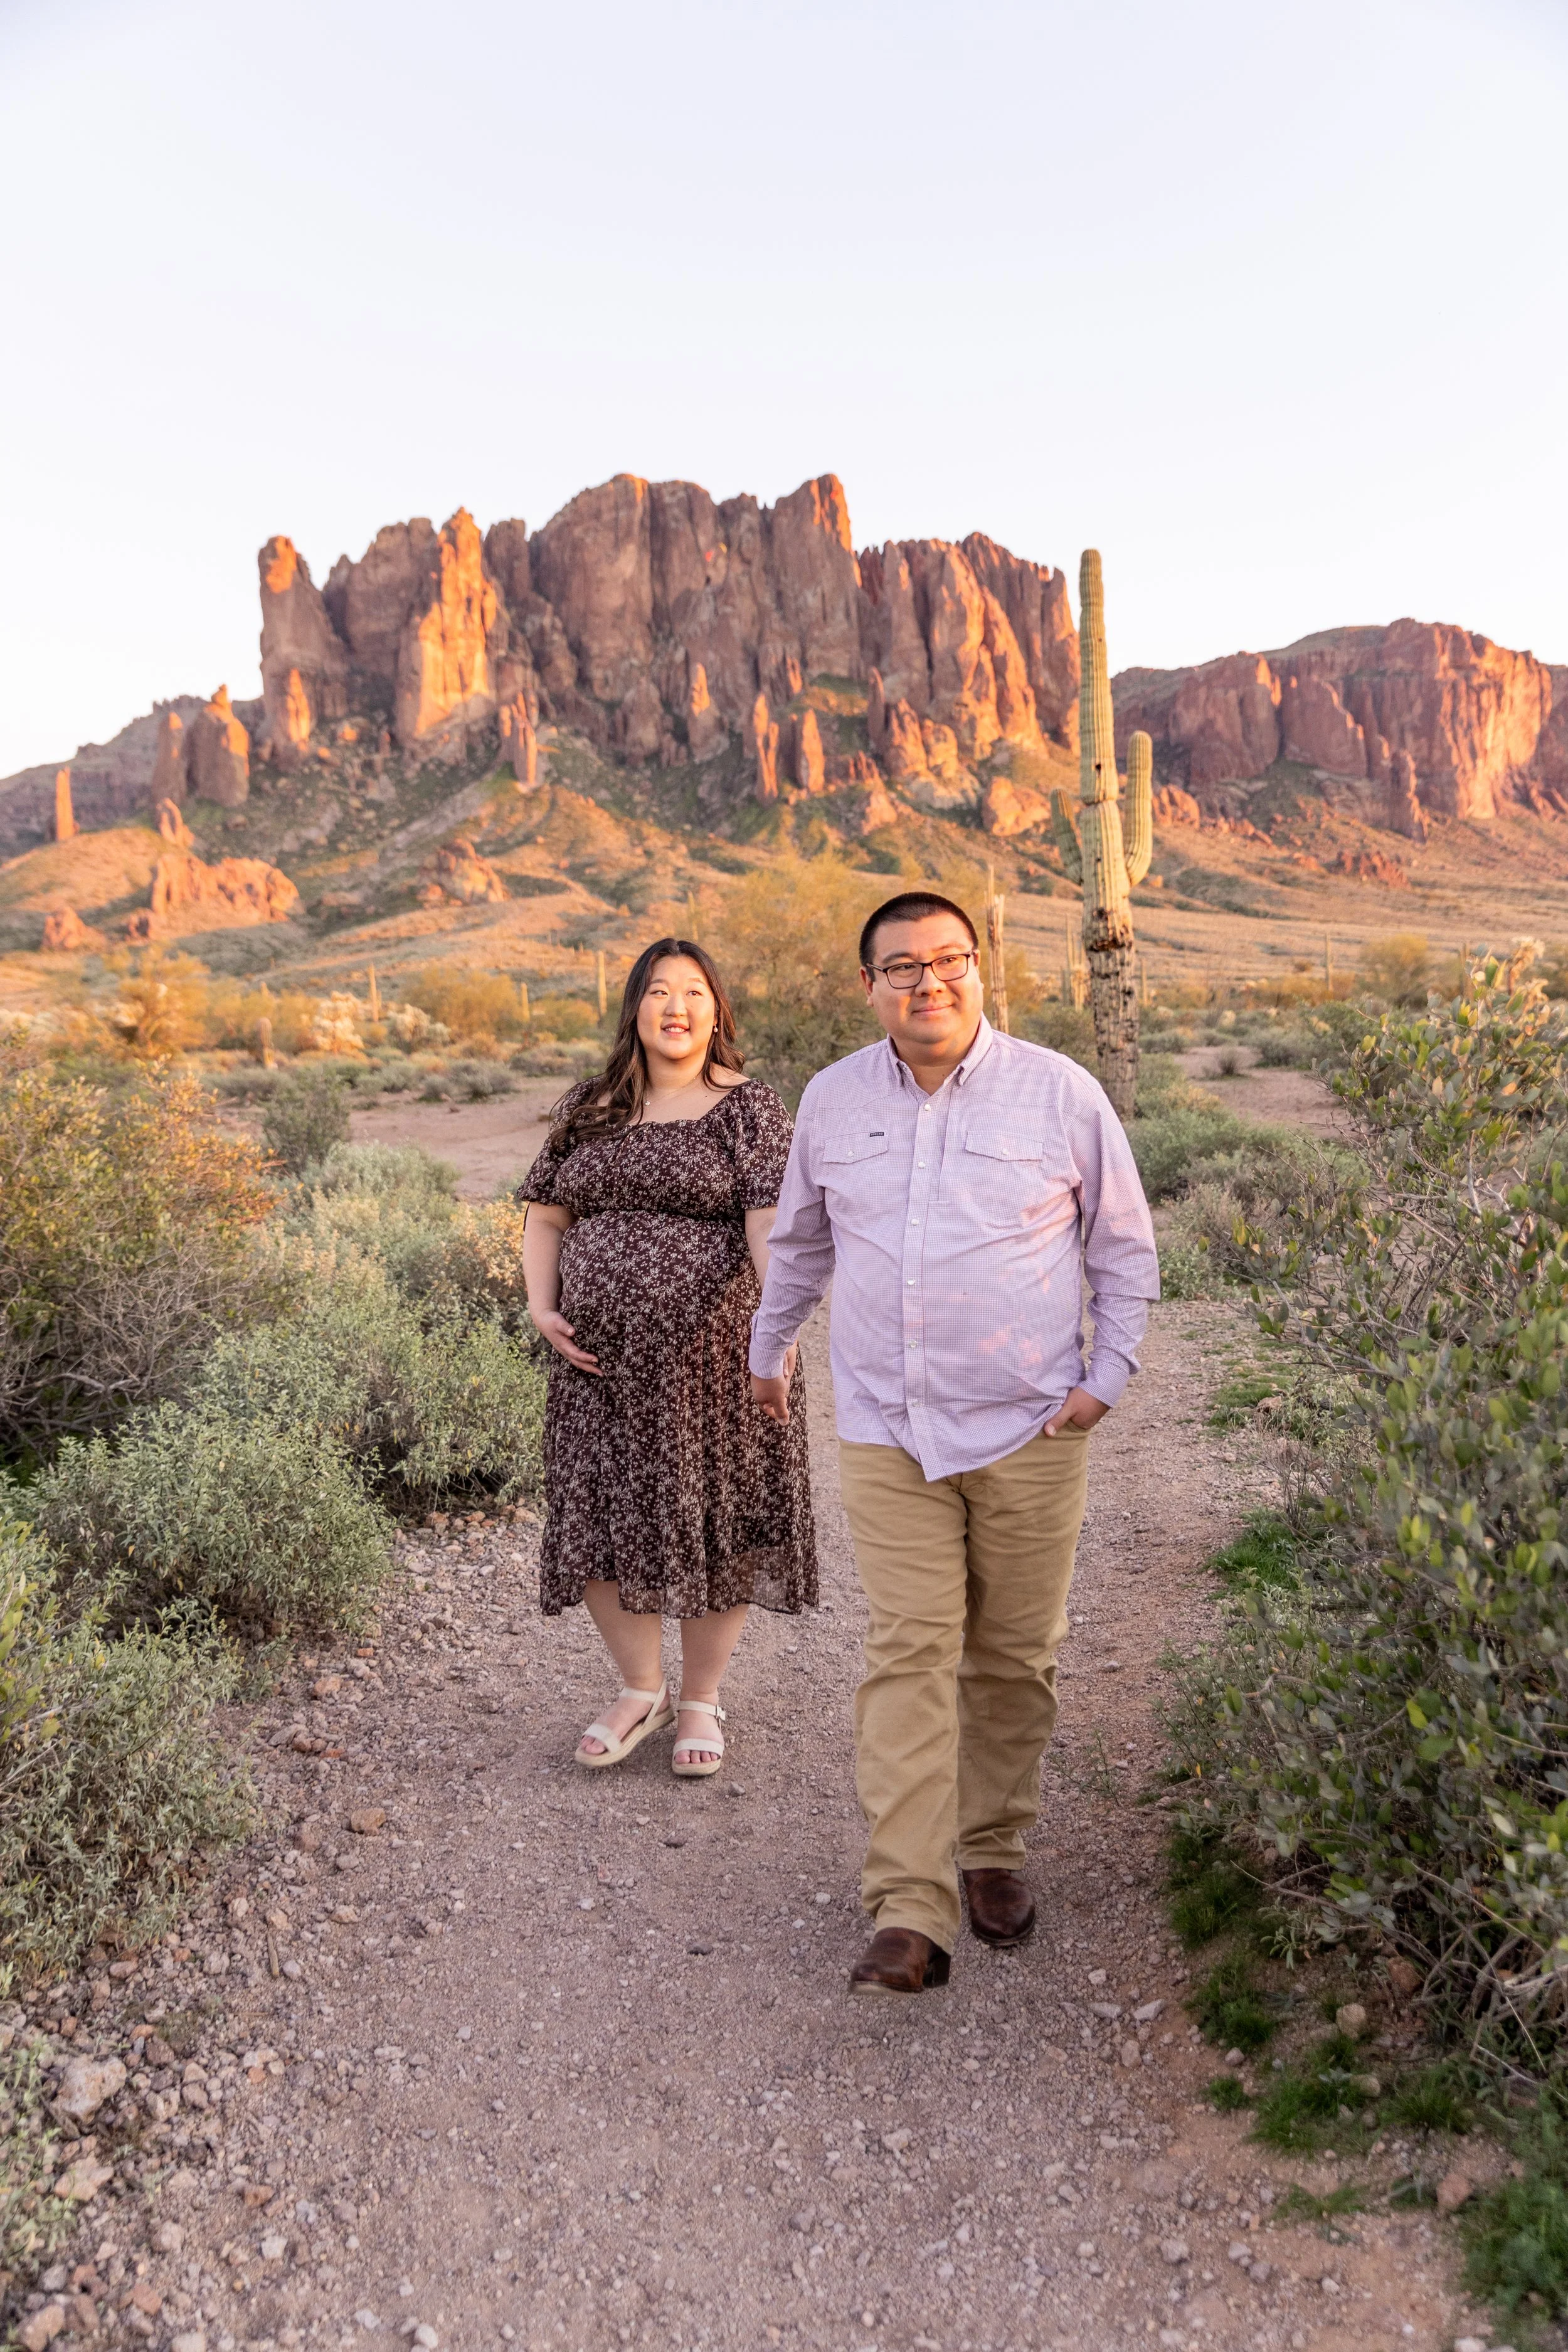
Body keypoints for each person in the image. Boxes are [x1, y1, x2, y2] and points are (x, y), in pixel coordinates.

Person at [750, 892, 1158, 1992]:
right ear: (869, 985)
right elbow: (798, 1243)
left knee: (1014, 1654)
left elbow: (1122, 1245)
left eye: (948, 962)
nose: (928, 984)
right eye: (903, 968)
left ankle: (993, 1847)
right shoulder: (833, 1100)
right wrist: (768, 1346)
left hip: (1032, 1424)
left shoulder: (1059, 1092)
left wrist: (1104, 1380)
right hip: (887, 1426)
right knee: (910, 1649)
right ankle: (909, 1906)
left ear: (981, 969)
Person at [519, 938, 815, 1778]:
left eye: (693, 992)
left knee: (711, 1516)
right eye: (658, 991)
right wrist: (544, 1305)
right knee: (598, 1514)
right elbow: (546, 1216)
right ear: (634, 1009)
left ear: (717, 1009)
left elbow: (769, 1226)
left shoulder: (749, 1108)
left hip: (712, 1361)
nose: (676, 1007)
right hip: (596, 1368)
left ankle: (701, 1700)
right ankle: (641, 1688)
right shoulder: (591, 1104)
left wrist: (776, 1333)